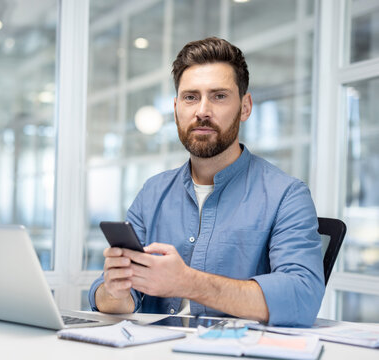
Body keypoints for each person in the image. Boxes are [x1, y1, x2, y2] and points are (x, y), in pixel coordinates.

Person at [88, 37, 325, 327]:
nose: (202, 110)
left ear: (246, 107)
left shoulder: (287, 195)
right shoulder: (153, 192)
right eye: (191, 97)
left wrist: (188, 282)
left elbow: (302, 298)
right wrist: (115, 291)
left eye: (219, 96)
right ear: (176, 108)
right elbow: (114, 302)